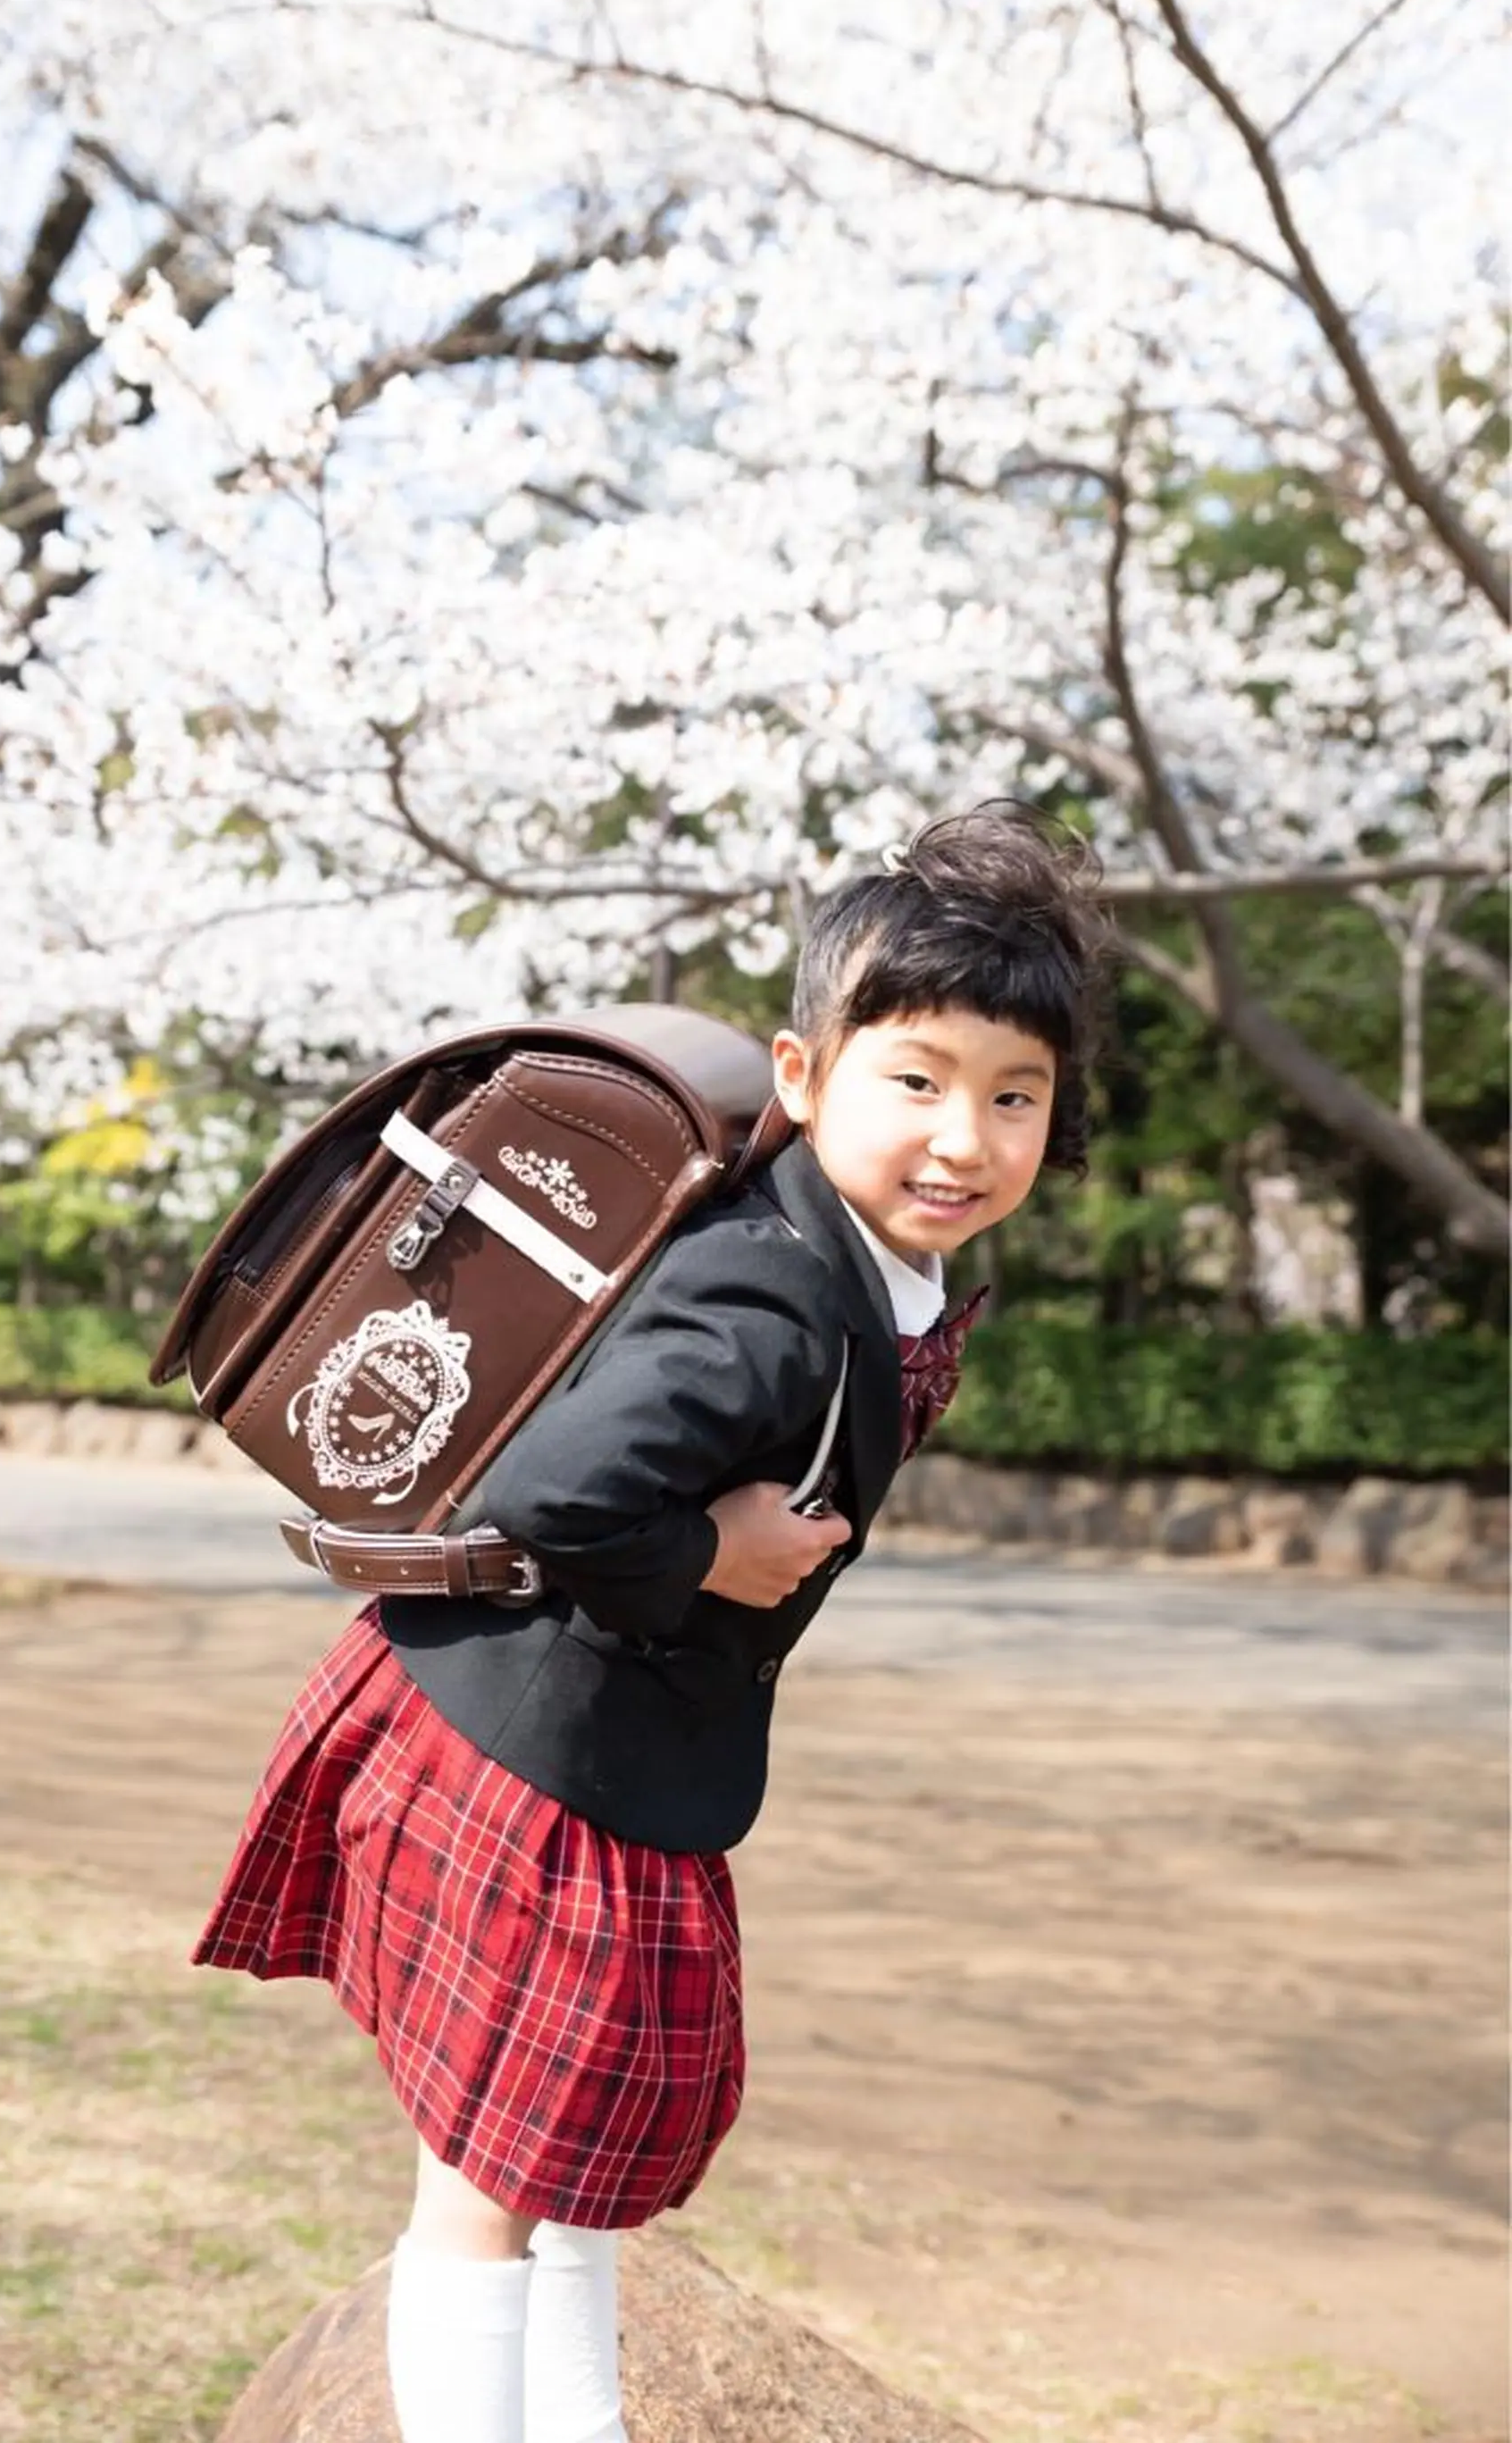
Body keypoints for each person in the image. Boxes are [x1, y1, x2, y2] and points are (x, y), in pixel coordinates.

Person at [193, 801, 1115, 2443]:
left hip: (588, 1750)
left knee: (572, 2160)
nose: (963, 1138)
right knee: (484, 2187)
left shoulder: (861, 1266)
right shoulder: (769, 1293)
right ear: (805, 1075)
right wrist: (709, 1549)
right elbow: (557, 1491)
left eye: (1012, 1095)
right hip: (529, 1752)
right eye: (917, 1081)